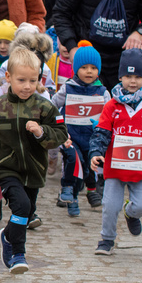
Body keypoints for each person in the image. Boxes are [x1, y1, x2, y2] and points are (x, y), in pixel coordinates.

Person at [0, 38, 68, 273]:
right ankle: (18, 254)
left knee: (26, 212)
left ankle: (8, 237)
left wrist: (41, 132)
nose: (27, 86)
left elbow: (60, 134)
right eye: (21, 80)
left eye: (32, 80)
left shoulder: (45, 107)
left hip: (34, 169)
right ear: (8, 78)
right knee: (21, 206)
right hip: (6, 167)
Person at [89, 49, 142, 255]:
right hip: (115, 167)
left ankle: (131, 213)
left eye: (137, 76)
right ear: (120, 76)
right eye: (128, 76)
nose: (133, 81)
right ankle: (107, 239)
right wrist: (96, 152)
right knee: (110, 205)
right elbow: (101, 132)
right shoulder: (112, 105)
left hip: (141, 168)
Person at [51, 43, 109, 216]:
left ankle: (91, 189)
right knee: (73, 162)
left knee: (88, 166)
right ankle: (70, 193)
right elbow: (53, 105)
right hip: (71, 136)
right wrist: (58, 124)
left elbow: (109, 113)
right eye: (84, 67)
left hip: (92, 138)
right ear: (76, 69)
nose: (89, 71)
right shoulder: (68, 87)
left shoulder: (103, 91)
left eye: (93, 68)